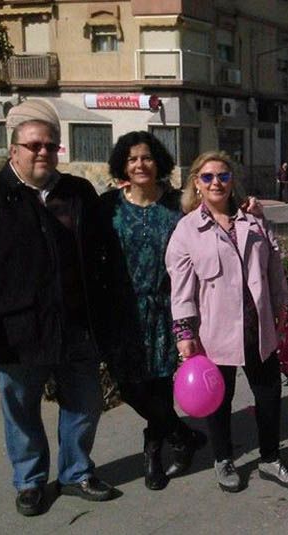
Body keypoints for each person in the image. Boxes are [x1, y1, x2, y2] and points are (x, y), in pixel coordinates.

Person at [0, 99, 116, 517]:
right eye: (34, 144)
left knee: (85, 405)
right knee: (21, 411)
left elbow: (102, 256)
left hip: (76, 327)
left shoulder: (78, 193)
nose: (43, 152)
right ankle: (31, 480)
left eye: (51, 145)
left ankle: (76, 472)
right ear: (13, 148)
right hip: (16, 332)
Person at [165, 151, 288, 493]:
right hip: (215, 331)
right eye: (208, 177)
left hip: (257, 326)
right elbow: (181, 288)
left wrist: (281, 304)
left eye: (224, 176)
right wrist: (184, 332)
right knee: (219, 398)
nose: (217, 183)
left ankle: (271, 459)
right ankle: (223, 459)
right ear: (196, 184)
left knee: (269, 394)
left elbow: (274, 265)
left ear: (232, 182)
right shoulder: (187, 230)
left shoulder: (251, 219)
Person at [98, 131, 206, 491]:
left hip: (164, 307)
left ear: (157, 161)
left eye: (146, 157)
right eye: (131, 159)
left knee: (159, 386)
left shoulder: (179, 204)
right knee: (128, 386)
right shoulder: (108, 205)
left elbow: (216, 219)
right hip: (121, 311)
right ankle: (181, 433)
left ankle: (152, 454)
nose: (140, 165)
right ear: (122, 165)